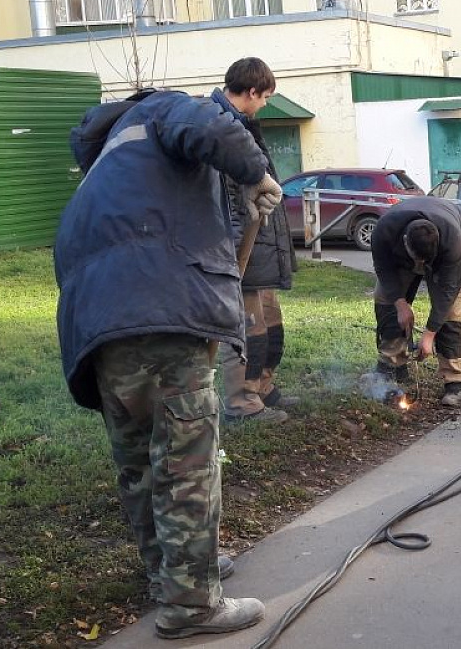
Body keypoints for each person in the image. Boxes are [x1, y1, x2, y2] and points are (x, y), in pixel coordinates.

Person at [55, 62, 285, 639]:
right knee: (185, 462)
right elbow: (213, 128)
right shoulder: (164, 108)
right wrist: (256, 171)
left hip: (98, 325)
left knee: (139, 460)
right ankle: (191, 605)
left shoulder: (111, 158)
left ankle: (170, 574)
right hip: (159, 313)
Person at [216, 59, 299, 425]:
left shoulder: (243, 125)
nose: (265, 104)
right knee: (248, 328)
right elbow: (228, 198)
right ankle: (241, 401)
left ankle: (263, 386)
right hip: (239, 250)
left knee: (270, 325)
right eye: (264, 97)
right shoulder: (221, 129)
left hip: (260, 248)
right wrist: (233, 254)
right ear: (250, 92)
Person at [370, 196, 461, 406]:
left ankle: (456, 380)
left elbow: (448, 292)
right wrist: (400, 304)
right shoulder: (383, 231)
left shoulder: (453, 240)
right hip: (398, 253)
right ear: (405, 241)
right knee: (385, 298)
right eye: (418, 261)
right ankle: (392, 364)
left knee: (452, 311)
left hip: (453, 240)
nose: (421, 266)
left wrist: (429, 334)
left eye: (425, 262)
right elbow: (383, 269)